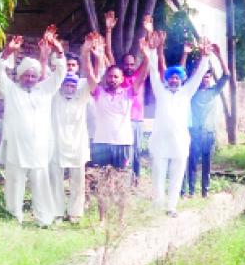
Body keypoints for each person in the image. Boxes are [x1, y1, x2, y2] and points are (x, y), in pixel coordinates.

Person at [0, 25, 66, 227]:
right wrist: (8, 52)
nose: (31, 79)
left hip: (40, 149)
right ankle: (13, 218)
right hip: (16, 149)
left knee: (41, 185)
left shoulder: (45, 90)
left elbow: (60, 72)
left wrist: (58, 50)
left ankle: (44, 219)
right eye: (27, 75)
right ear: (20, 75)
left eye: (34, 76)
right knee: (14, 184)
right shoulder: (11, 90)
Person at [145, 32, 210, 217]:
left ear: (181, 79)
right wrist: (151, 51)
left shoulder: (186, 92)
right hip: (160, 142)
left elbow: (198, 76)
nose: (174, 80)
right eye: (171, 77)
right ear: (167, 79)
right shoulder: (160, 91)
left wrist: (205, 57)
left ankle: (171, 207)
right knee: (158, 175)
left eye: (177, 77)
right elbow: (152, 70)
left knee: (176, 176)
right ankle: (157, 206)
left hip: (180, 142)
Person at [48, 32, 104, 224]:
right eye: (66, 84)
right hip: (56, 144)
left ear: (77, 86)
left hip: (78, 144)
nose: (69, 87)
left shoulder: (82, 95)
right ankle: (56, 212)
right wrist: (53, 50)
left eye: (73, 84)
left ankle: (75, 213)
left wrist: (87, 52)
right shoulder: (55, 96)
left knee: (77, 180)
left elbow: (94, 79)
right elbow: (47, 75)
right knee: (55, 178)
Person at [88, 37, 148, 172]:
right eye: (110, 76)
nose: (112, 79)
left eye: (116, 77)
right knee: (102, 180)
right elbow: (89, 74)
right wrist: (88, 53)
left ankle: (133, 183)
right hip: (101, 143)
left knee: (120, 178)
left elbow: (142, 76)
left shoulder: (128, 93)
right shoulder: (99, 93)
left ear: (122, 79)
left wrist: (147, 56)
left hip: (123, 143)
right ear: (106, 78)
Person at [186, 42, 229, 198]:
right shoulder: (191, 92)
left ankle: (205, 192)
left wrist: (219, 56)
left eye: (208, 76)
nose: (205, 79)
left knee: (207, 164)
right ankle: (190, 191)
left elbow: (227, 76)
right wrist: (200, 60)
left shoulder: (214, 91)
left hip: (209, 133)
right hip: (194, 133)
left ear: (210, 78)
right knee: (191, 164)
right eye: (203, 76)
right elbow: (189, 76)